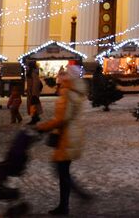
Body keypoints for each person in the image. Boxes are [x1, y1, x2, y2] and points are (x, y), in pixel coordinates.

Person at [36, 63, 93, 215]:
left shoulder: (68, 92)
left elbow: (62, 118)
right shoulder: (77, 91)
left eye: (65, 73)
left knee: (61, 170)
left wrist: (43, 127)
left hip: (66, 136)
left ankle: (66, 204)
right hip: (73, 135)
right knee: (62, 170)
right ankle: (70, 200)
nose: (62, 76)